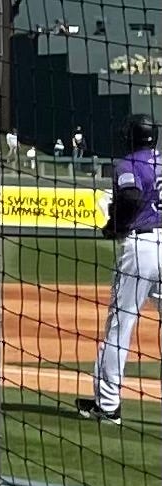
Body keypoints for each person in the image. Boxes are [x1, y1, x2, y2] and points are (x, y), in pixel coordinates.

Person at [82, 114, 162, 424]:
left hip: (142, 247)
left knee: (120, 327)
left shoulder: (129, 163)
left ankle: (108, 406)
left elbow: (130, 195)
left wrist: (114, 225)